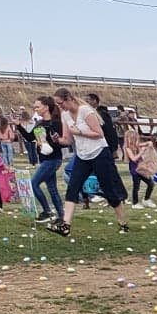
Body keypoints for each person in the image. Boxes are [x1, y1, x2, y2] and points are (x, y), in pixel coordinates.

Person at [56, 87, 123, 232]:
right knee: (72, 187)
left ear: (68, 99)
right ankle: (65, 225)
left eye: (61, 103)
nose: (60, 107)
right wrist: (56, 139)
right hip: (82, 155)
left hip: (99, 152)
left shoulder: (85, 110)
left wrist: (79, 131)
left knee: (108, 190)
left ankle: (123, 222)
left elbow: (99, 133)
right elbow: (67, 140)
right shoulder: (65, 115)